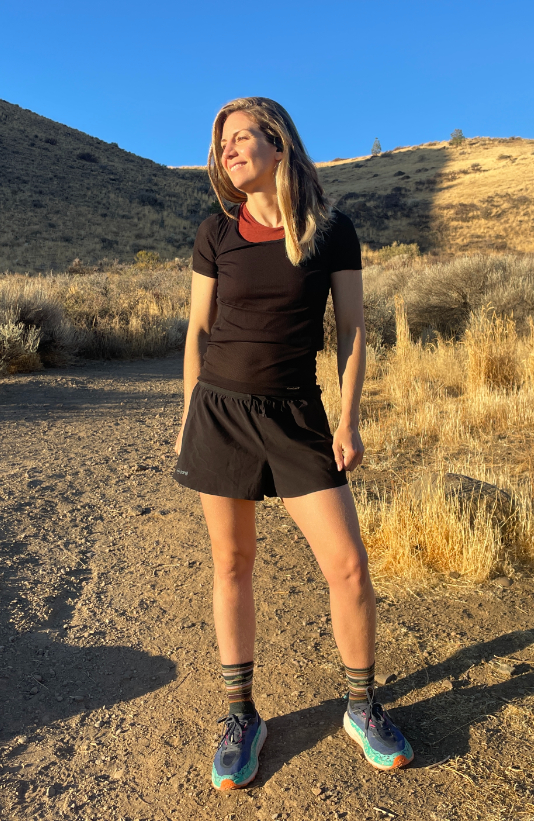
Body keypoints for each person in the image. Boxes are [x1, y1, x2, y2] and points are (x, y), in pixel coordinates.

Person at [173, 97, 413, 791]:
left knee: (348, 564)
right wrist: (191, 413)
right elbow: (196, 332)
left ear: (279, 145)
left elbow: (354, 328)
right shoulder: (214, 233)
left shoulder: (331, 231)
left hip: (299, 416)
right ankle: (241, 715)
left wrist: (348, 420)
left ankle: (362, 706)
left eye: (241, 137)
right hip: (220, 412)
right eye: (222, 143)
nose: (228, 150)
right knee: (232, 563)